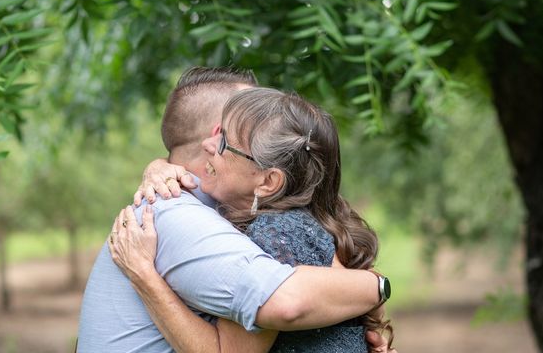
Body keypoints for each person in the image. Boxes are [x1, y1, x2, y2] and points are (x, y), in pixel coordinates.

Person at [77, 67, 393, 353]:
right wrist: (375, 289)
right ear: (214, 138)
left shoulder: (262, 224)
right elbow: (286, 302)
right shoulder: (179, 216)